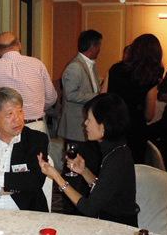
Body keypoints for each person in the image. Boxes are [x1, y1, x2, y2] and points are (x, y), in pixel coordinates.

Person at [38, 93, 138, 227]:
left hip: (119, 229)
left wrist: (57, 177)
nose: (84, 123)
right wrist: (84, 171)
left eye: (89, 120)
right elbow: (104, 191)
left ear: (103, 127)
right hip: (109, 223)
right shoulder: (116, 150)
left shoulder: (117, 159)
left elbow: (89, 208)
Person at [57, 29, 103, 213]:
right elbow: (70, 94)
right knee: (72, 171)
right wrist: (97, 96)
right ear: (93, 46)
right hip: (75, 128)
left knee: (87, 166)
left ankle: (84, 205)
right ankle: (70, 208)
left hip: (86, 127)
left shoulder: (90, 65)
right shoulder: (74, 67)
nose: (100, 49)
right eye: (99, 45)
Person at [102, 33, 164, 163]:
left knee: (110, 164)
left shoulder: (115, 69)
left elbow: (102, 97)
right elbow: (149, 115)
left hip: (112, 126)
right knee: (133, 168)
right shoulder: (149, 78)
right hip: (135, 131)